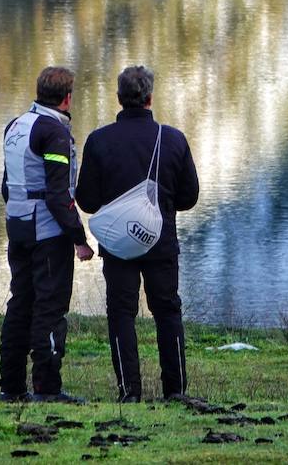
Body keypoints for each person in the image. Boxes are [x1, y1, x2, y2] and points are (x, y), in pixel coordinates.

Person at [76, 65, 200, 402]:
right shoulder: (172, 139)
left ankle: (129, 391)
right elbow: (189, 197)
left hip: (117, 245)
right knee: (167, 312)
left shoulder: (99, 141)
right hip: (161, 243)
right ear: (150, 98)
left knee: (120, 314)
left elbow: (85, 200)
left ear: (119, 99)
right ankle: (175, 390)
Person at [0, 66, 95, 403]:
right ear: (67, 97)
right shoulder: (55, 133)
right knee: (49, 309)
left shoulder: (15, 126)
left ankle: (11, 387)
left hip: (18, 227)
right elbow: (58, 195)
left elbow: (6, 185)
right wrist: (79, 239)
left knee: (20, 303)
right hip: (47, 233)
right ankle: (47, 388)